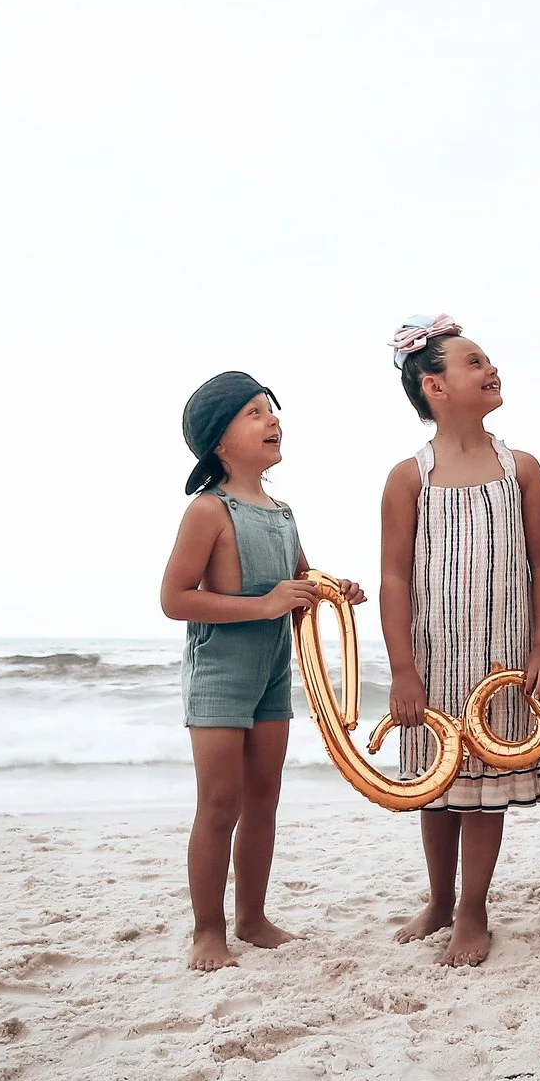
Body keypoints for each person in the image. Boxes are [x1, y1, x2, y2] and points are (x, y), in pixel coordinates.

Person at [157, 371, 362, 972]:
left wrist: (332, 588)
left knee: (264, 798)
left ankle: (251, 917)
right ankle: (207, 930)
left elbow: (300, 579)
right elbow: (175, 599)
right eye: (253, 412)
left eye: (270, 410)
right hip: (220, 671)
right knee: (219, 802)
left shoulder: (282, 511)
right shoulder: (208, 511)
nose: (271, 420)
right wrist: (264, 605)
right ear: (219, 440)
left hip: (273, 672)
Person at [377, 316, 540, 966]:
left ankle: (473, 906)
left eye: (489, 359)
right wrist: (403, 670)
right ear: (435, 386)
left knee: (484, 789)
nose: (491, 369)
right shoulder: (410, 478)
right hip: (435, 664)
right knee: (439, 784)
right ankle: (437, 898)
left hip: (500, 663)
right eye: (474, 362)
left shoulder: (522, 469)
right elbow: (394, 578)